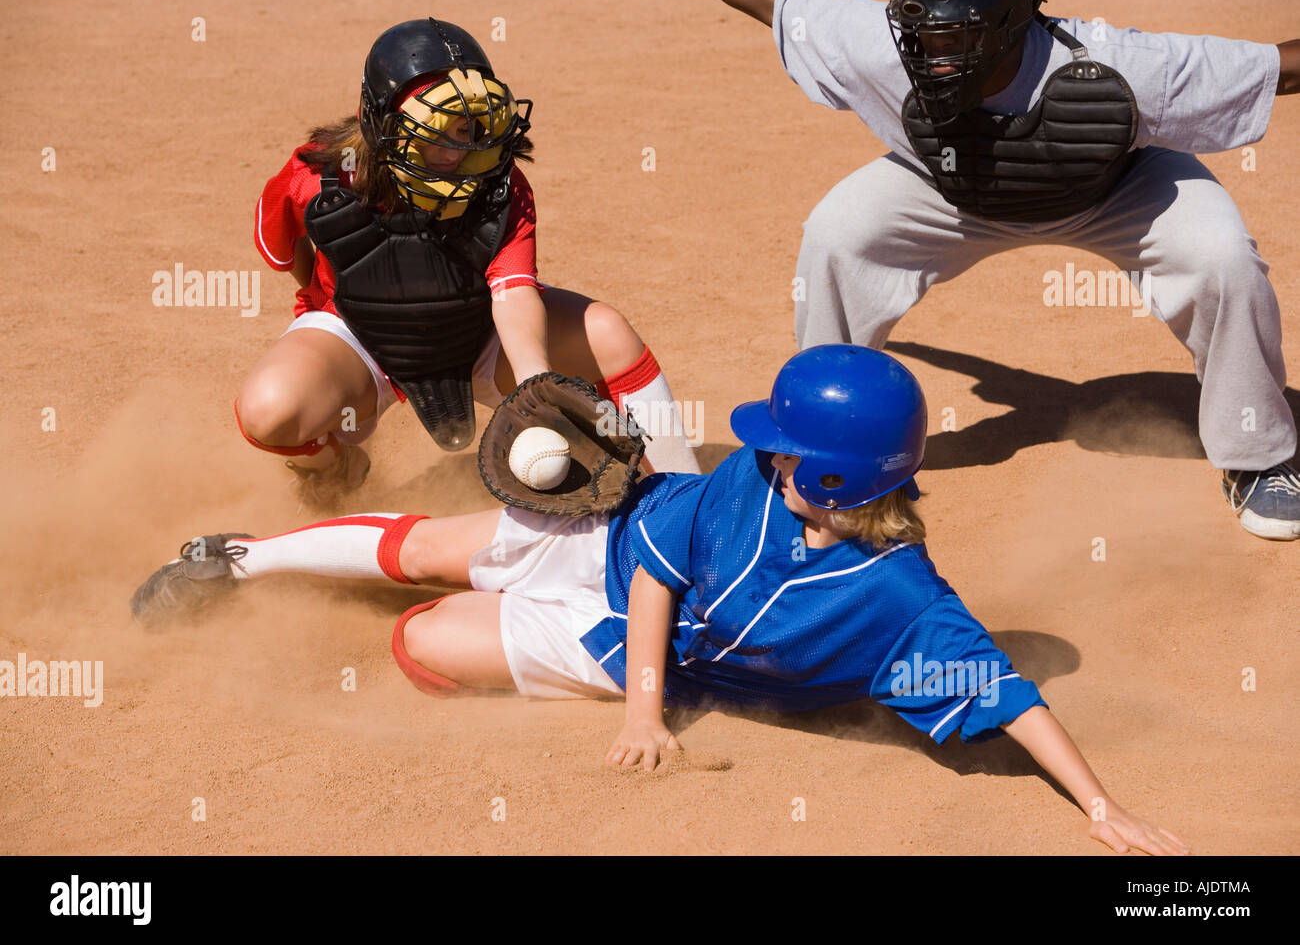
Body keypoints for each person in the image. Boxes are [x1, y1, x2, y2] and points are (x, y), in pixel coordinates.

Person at [131, 345, 1186, 855]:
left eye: (781, 445)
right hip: (609, 534)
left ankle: (390, 606)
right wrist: (644, 714)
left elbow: (1008, 695)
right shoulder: (744, 479)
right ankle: (238, 558)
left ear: (826, 478)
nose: (758, 444)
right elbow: (657, 567)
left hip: (607, 639)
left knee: (422, 644)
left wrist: (1099, 805)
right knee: (425, 548)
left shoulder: (902, 603)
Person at [703, 0, 1300, 541]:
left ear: (1011, 26)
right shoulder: (875, 42)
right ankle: (815, 437)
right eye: (923, 37)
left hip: (1120, 190)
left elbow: (1278, 69)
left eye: (953, 40)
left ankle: (1258, 454)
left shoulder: (1122, 65)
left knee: (1221, 255)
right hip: (949, 188)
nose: (932, 54)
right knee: (840, 235)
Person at [244, 17, 698, 506]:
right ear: (382, 121)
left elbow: (513, 291)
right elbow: (287, 250)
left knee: (608, 333)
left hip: (477, 333)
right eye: (435, 131)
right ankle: (337, 468)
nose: (457, 149)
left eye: (467, 127)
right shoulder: (316, 178)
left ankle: (686, 501)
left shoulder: (500, 185)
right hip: (359, 336)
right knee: (269, 410)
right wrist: (318, 296)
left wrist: (536, 389)